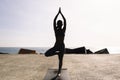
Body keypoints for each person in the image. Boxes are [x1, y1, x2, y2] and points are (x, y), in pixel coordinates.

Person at [45, 7, 66, 79]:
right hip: (56, 46)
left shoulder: (63, 30)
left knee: (60, 60)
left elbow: (65, 21)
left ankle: (59, 72)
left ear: (62, 24)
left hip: (62, 46)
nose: (60, 24)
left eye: (60, 23)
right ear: (58, 24)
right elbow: (54, 21)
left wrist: (61, 14)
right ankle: (57, 53)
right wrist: (58, 13)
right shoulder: (56, 30)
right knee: (46, 54)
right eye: (59, 23)